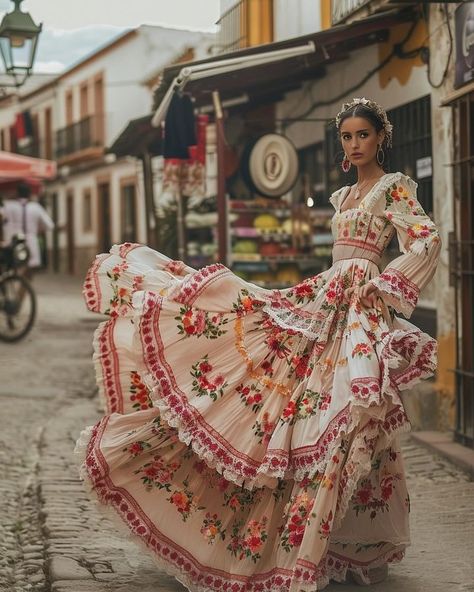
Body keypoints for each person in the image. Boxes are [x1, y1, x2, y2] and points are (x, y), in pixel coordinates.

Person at [76, 98, 441, 590]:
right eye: (347, 137)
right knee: (298, 406)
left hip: (359, 307)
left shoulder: (392, 190)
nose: (355, 145)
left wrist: (385, 284)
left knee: (351, 416)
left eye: (363, 136)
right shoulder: (342, 197)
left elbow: (425, 238)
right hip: (328, 298)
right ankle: (326, 539)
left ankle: (345, 541)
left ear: (381, 138)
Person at [1, 181, 54, 274]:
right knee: (28, 271)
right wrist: (37, 229)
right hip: (31, 243)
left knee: (11, 268)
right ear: (29, 194)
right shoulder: (36, 207)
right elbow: (49, 225)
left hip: (12, 242)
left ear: (17, 193)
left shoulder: (8, 205)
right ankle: (21, 286)